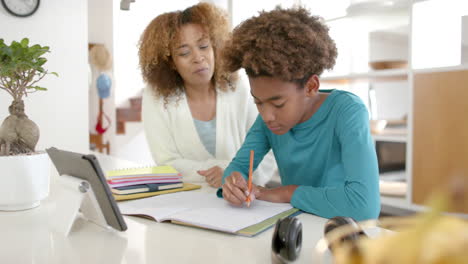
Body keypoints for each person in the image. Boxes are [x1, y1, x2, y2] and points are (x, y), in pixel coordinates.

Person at [219, 7, 380, 221]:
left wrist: (288, 192)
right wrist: (232, 182)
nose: (267, 116)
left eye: (278, 103)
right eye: (258, 102)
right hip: (299, 224)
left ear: (311, 86)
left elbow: (364, 206)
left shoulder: (347, 111)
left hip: (345, 232)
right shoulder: (268, 120)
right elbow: (237, 168)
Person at [139, 3, 276, 188]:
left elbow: (266, 150)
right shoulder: (156, 97)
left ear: (215, 47)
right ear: (171, 62)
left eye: (204, 46)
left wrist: (233, 174)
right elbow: (166, 164)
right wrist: (226, 169)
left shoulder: (237, 88)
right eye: (184, 52)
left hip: (242, 199)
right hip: (186, 204)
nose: (198, 57)